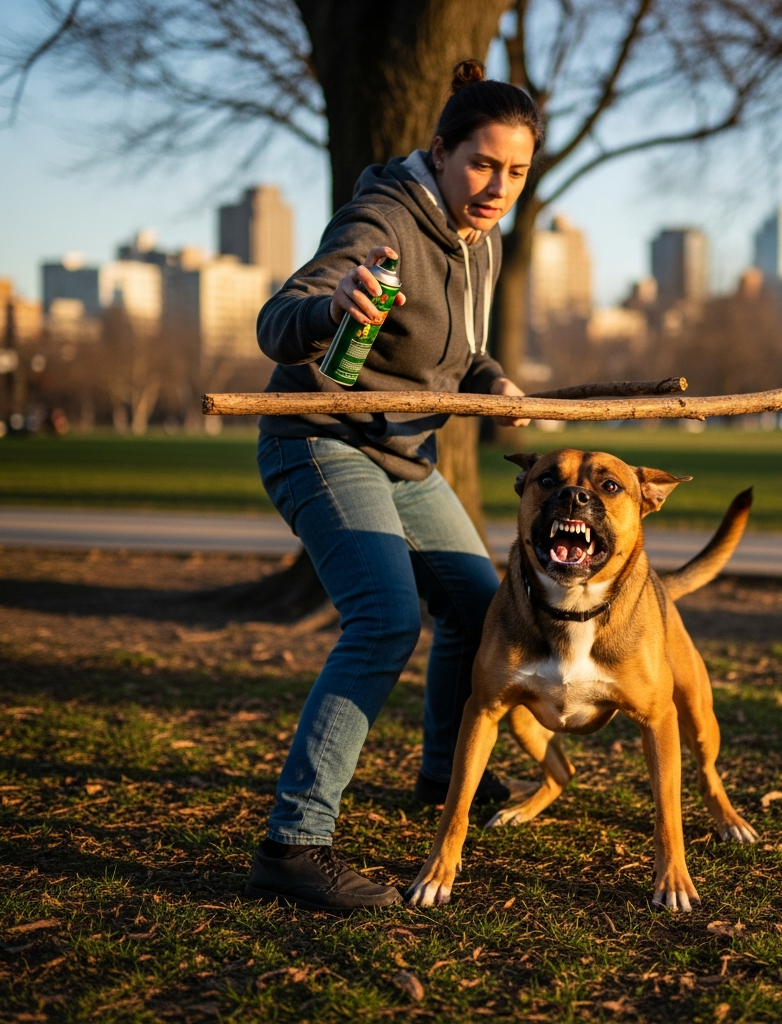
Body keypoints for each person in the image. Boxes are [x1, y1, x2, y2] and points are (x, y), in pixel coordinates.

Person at [244, 60, 544, 913]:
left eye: (516, 172)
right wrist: (333, 306)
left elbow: (457, 349)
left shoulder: (474, 239)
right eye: (483, 164)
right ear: (441, 150)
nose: (497, 187)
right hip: (321, 441)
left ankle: (443, 774)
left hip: (406, 458)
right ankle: (293, 845)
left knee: (480, 605)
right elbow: (278, 324)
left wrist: (493, 383)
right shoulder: (382, 218)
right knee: (383, 621)